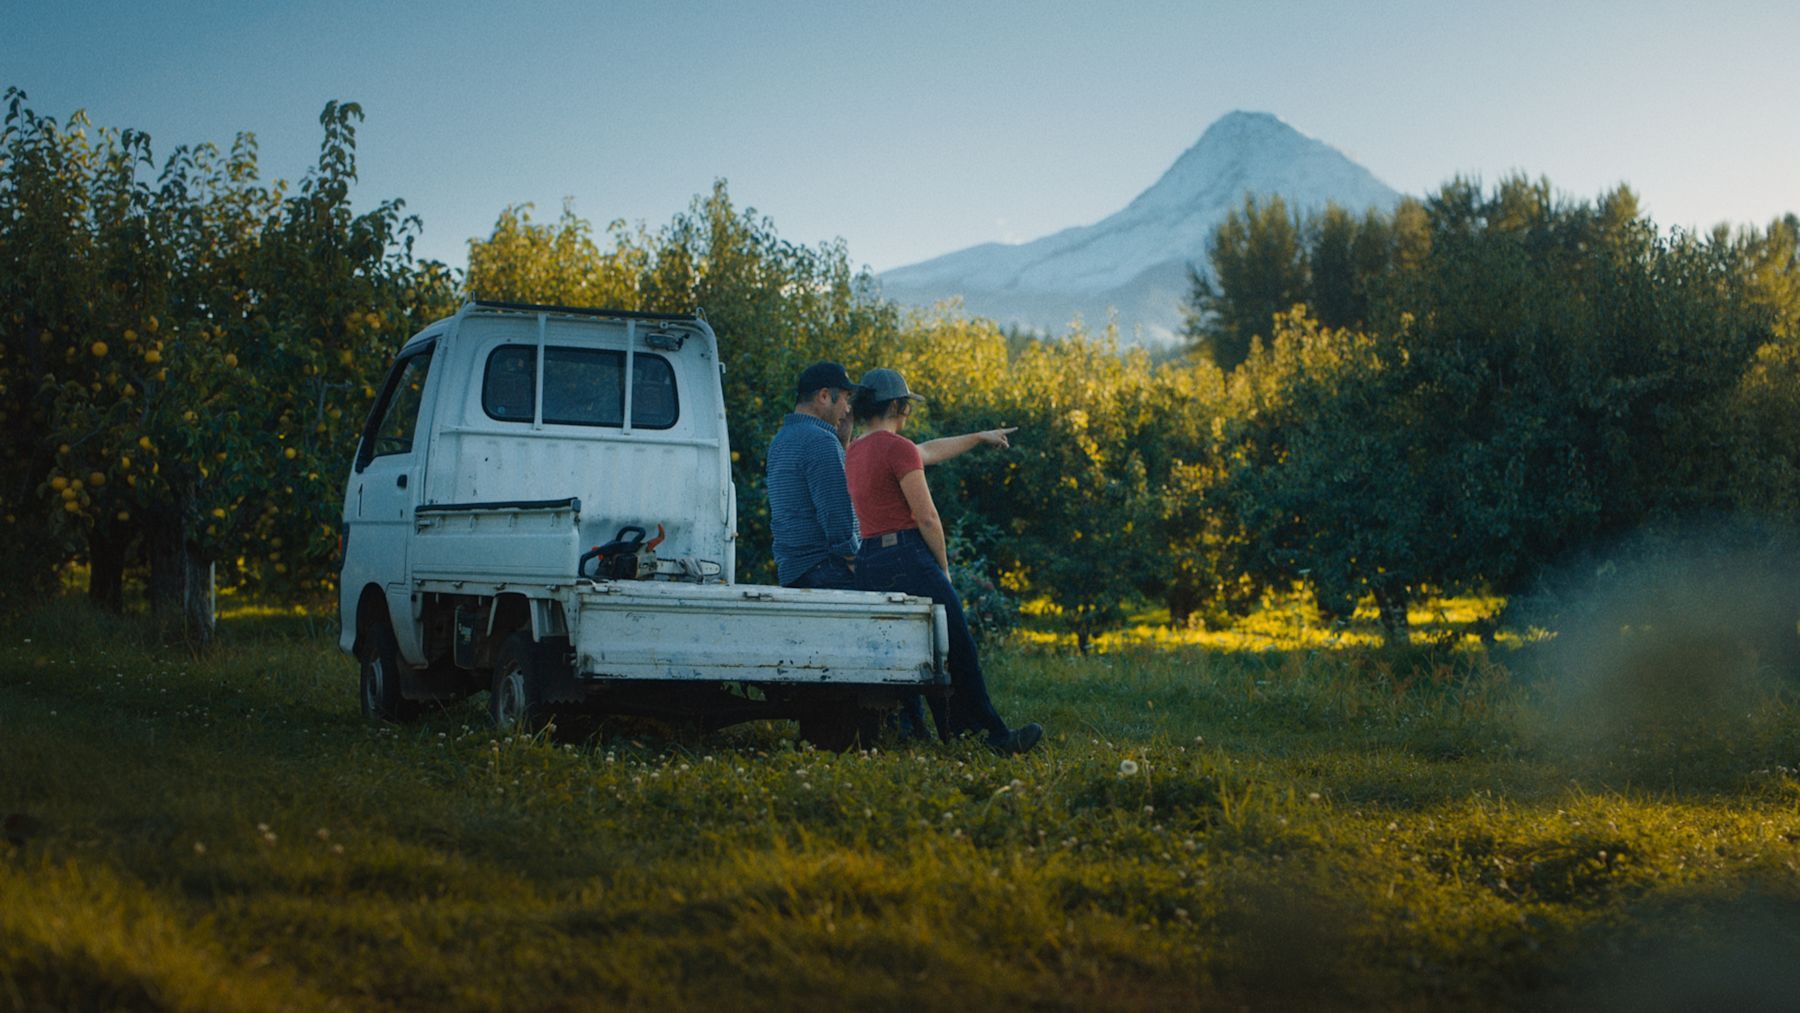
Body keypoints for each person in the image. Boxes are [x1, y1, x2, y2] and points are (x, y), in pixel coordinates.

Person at [845, 367, 1043, 755]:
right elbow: (927, 517)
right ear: (898, 405)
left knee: (905, 648)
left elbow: (928, 450)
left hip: (870, 558)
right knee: (958, 648)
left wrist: (978, 437)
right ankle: (992, 738)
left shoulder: (855, 451)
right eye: (906, 407)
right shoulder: (897, 448)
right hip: (907, 555)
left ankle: (918, 731)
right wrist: (943, 569)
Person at [766, 361, 863, 589]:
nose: (848, 409)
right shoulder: (820, 441)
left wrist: (843, 441)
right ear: (824, 396)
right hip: (828, 569)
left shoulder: (780, 440)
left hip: (795, 571)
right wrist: (853, 559)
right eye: (845, 399)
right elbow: (836, 513)